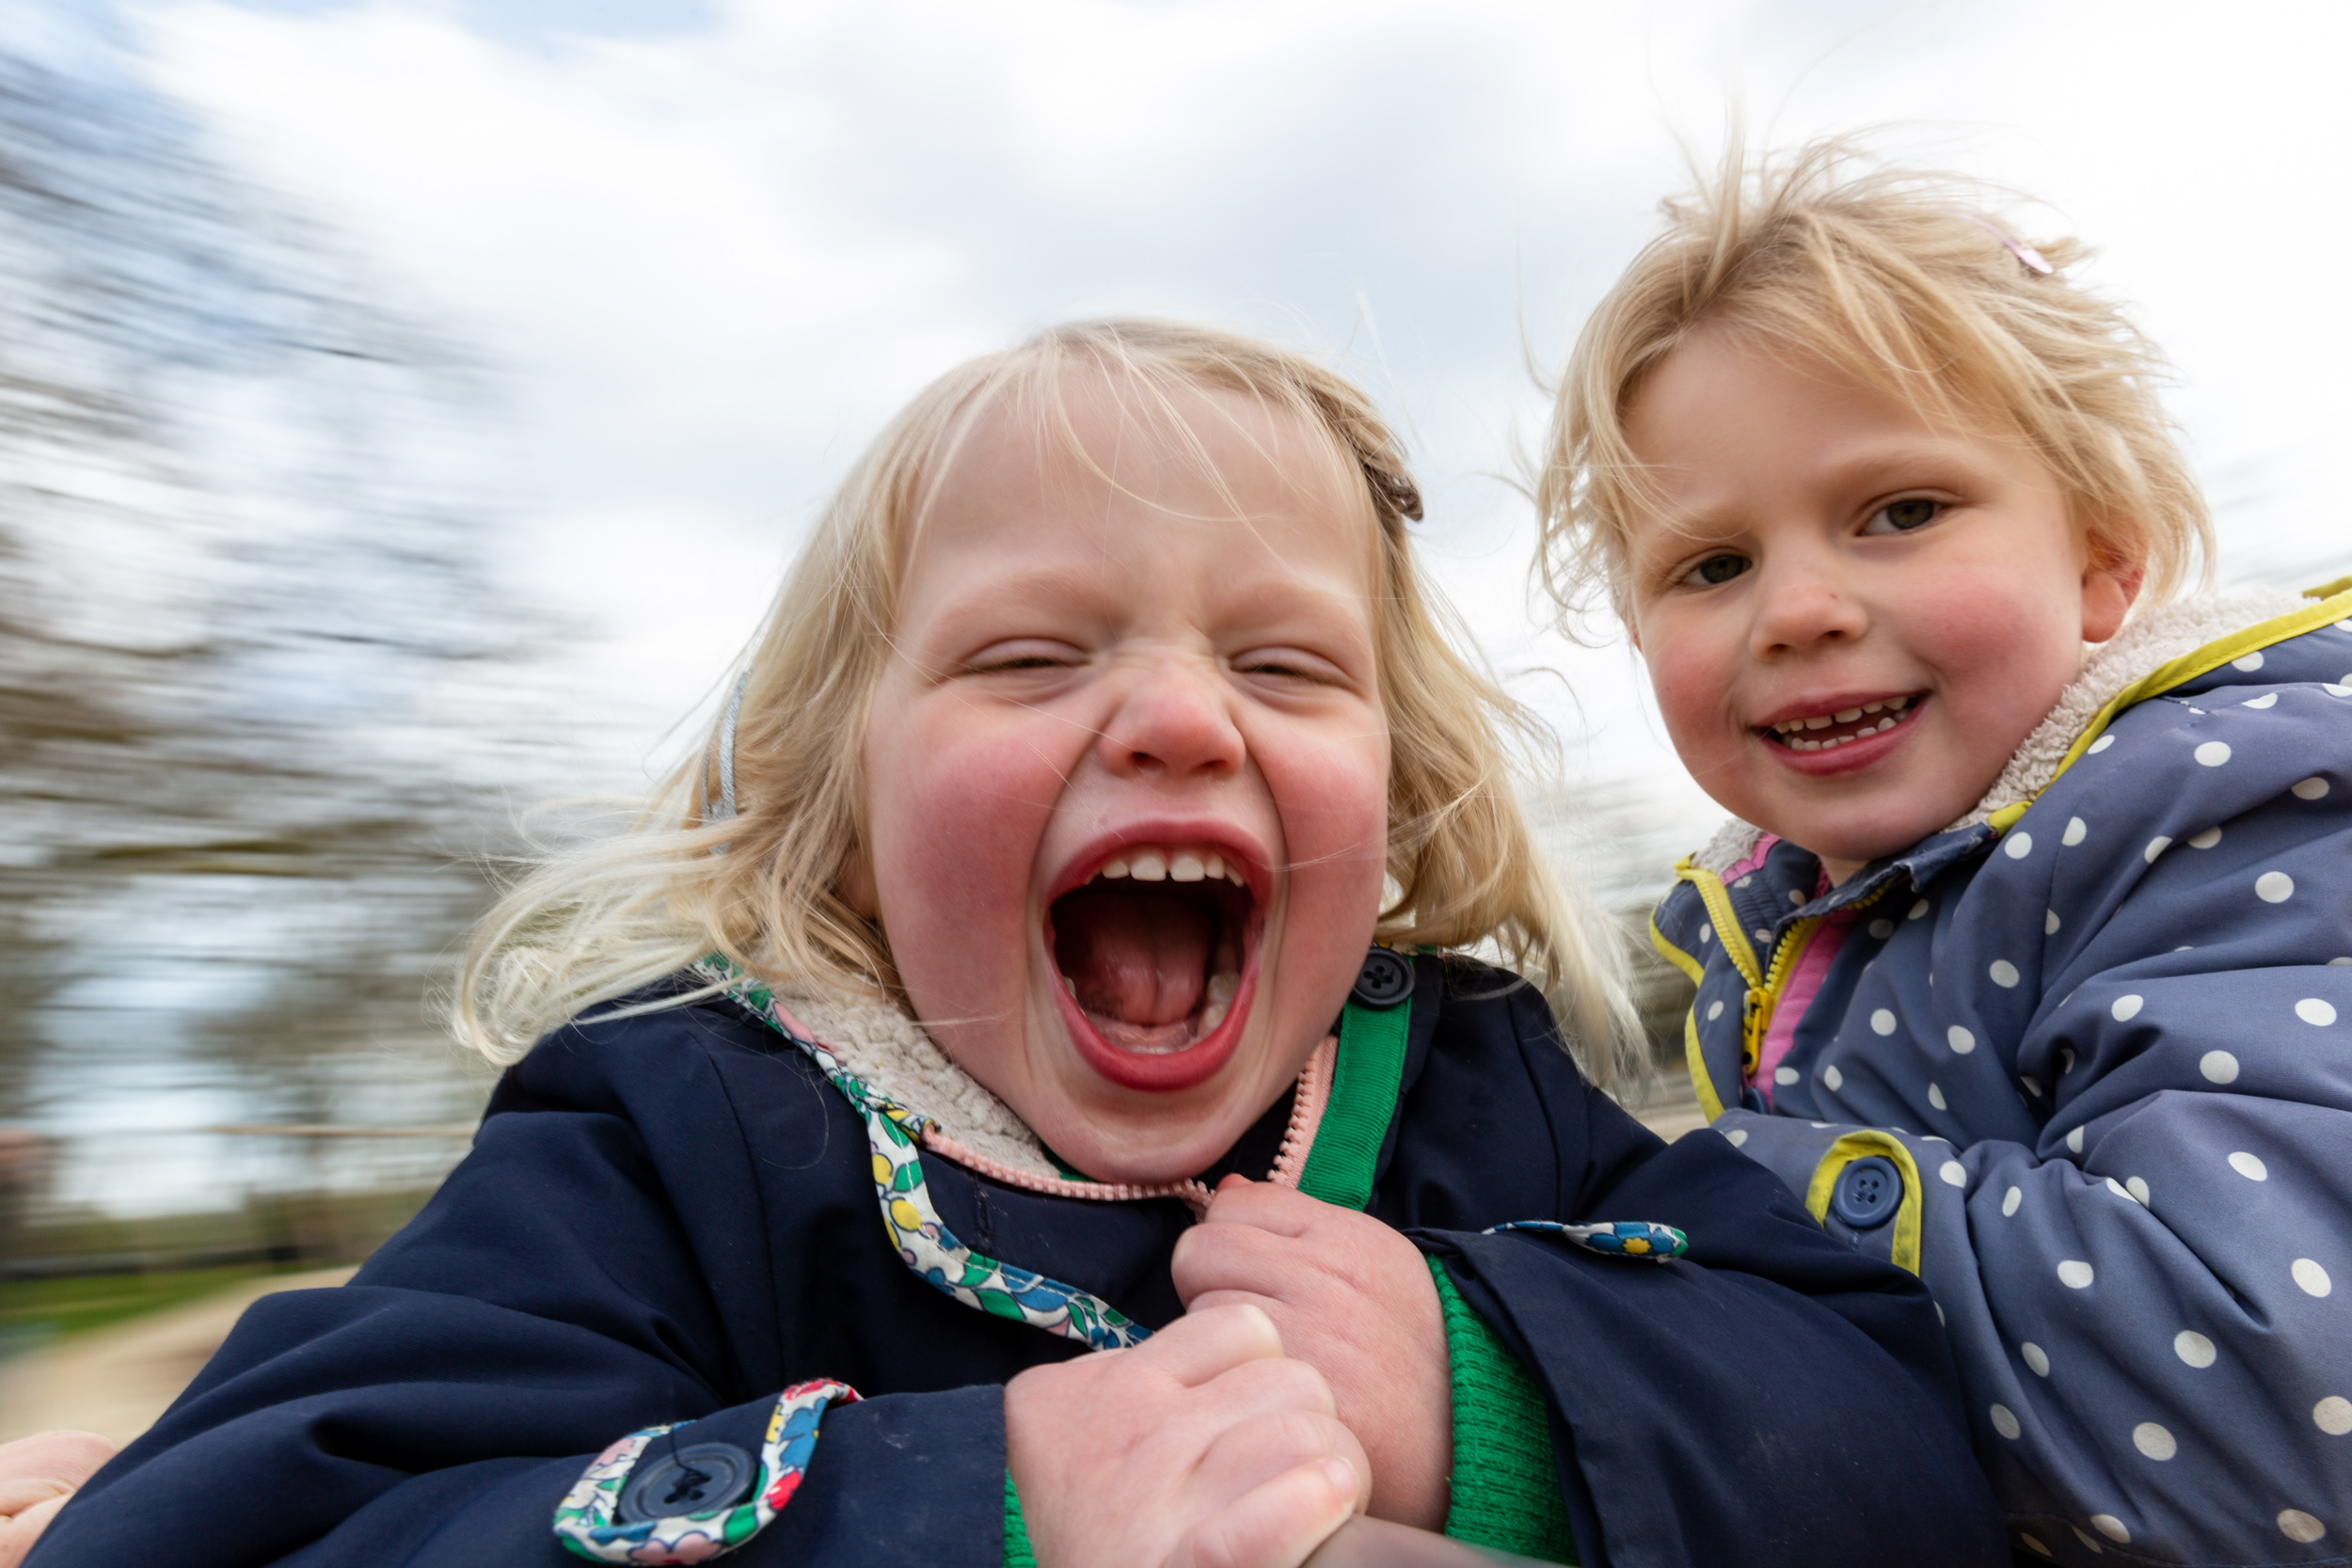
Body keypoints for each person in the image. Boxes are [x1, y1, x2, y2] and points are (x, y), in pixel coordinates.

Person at [23, 319, 2001, 1568]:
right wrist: (982, 1511)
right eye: (1029, 657)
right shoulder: (684, 1124)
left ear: (1391, 801)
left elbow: (1896, 1435)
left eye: (1281, 664)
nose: (1172, 720)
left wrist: (1478, 1403)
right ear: (838, 796)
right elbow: (279, 1517)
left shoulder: (1477, 1093)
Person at [1537, 140, 2352, 1565]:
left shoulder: (2218, 812)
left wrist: (1710, 1207)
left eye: (1901, 512)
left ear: (2106, 560)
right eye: (1710, 565)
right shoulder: (1790, 920)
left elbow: (2281, 1395)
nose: (1795, 608)